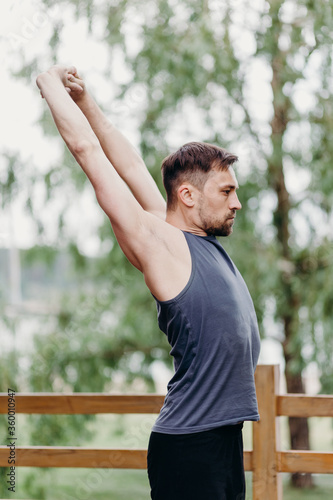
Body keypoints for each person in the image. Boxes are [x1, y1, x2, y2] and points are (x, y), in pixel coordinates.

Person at [36, 65, 261, 500]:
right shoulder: (162, 248)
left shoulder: (188, 238)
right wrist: (48, 86)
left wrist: (87, 101)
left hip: (221, 441)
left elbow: (131, 162)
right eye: (226, 191)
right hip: (190, 447)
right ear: (189, 195)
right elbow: (89, 153)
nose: (237, 203)